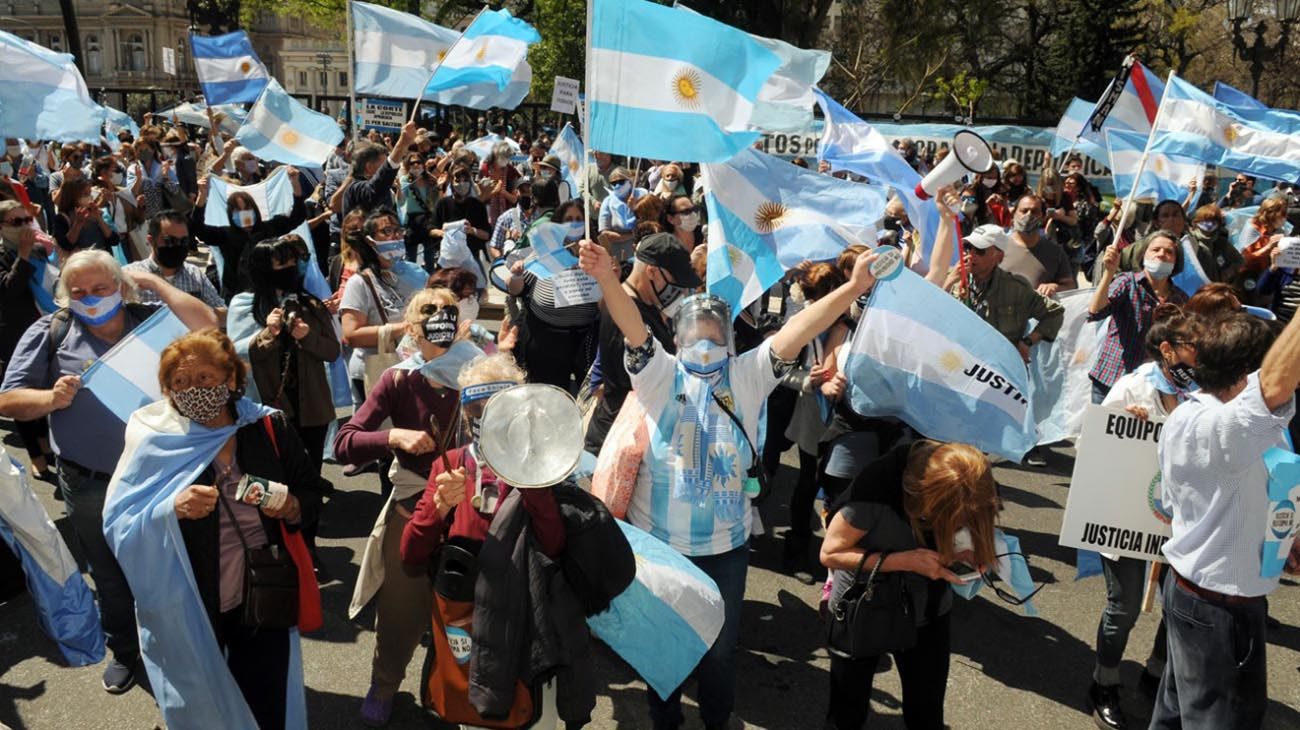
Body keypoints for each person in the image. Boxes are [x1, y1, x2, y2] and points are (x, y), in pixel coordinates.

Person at [580, 238, 883, 730]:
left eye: (713, 334)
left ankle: (717, 721)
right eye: (694, 334)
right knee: (666, 646)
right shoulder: (658, 375)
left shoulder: (746, 377)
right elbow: (633, 328)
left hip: (726, 548)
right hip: (661, 547)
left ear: (729, 340)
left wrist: (853, 286)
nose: (704, 343)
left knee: (721, 651)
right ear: (676, 339)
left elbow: (799, 327)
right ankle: (666, 721)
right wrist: (608, 279)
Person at [0, 249, 217, 694]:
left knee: (178, 561)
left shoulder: (153, 321)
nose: (90, 299)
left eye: (101, 289)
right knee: (109, 570)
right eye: (78, 292)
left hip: (165, 474)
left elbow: (209, 327)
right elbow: (8, 398)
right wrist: (49, 400)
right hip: (90, 481)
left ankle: (187, 646)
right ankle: (124, 651)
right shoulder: (51, 330)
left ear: (121, 286)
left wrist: (155, 284)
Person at [103, 328, 323, 730]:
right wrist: (171, 509)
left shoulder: (268, 427)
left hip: (262, 588)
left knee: (266, 694)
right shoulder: (155, 440)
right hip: (191, 600)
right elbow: (120, 522)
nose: (193, 390)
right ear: (168, 391)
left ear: (232, 379)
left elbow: (310, 494)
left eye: (204, 378)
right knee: (202, 698)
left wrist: (292, 507)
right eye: (180, 383)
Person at [334, 288, 481, 727]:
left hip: (475, 512)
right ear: (412, 330)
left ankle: (466, 689)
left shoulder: (481, 370)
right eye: (429, 317)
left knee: (472, 612)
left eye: (448, 316)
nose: (440, 325)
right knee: (400, 610)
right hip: (414, 509)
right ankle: (384, 683)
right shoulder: (399, 379)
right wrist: (392, 438)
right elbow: (345, 443)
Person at [1150, 309, 1300, 729]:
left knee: (1175, 715)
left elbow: (1241, 487)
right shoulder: (1223, 428)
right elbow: (1275, 384)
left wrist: (1284, 533)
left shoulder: (1191, 413)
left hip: (1193, 595)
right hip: (1220, 610)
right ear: (1251, 375)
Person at [820, 440, 1001, 730]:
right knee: (847, 714)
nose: (956, 527)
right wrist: (906, 560)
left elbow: (971, 525)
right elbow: (830, 553)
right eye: (952, 520)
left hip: (927, 609)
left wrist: (968, 552)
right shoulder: (875, 491)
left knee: (927, 713)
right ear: (922, 499)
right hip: (862, 607)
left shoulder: (971, 481)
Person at [1086, 305, 1200, 730]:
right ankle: (1105, 683)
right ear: (1168, 350)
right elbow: (1093, 447)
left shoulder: (1203, 394)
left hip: (1181, 524)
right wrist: (1121, 422)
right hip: (1126, 520)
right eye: (1193, 346)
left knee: (1178, 610)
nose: (1201, 354)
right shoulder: (1132, 387)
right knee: (1124, 608)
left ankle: (1157, 676)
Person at [583, 233, 701, 453]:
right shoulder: (628, 317)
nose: (682, 293)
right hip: (620, 441)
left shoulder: (643, 306)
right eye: (677, 284)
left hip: (629, 431)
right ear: (652, 272)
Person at [501, 199, 599, 393]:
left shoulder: (596, 256)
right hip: (546, 342)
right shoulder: (543, 254)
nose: (573, 223)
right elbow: (515, 290)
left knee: (586, 396)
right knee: (547, 396)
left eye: (579, 219)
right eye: (568, 219)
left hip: (585, 342)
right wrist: (516, 274)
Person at [1088, 232, 1188, 403]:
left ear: (1176, 262)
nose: (1161, 254)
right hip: (1112, 379)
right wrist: (1108, 273)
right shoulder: (1126, 282)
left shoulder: (1181, 299)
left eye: (1169, 252)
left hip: (1152, 388)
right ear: (1143, 255)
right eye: (1155, 249)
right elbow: (1095, 311)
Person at [339, 209, 423, 408]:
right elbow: (351, 335)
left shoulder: (416, 272)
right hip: (378, 371)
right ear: (370, 241)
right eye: (386, 231)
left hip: (416, 367)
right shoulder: (359, 283)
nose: (396, 235)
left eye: (398, 230)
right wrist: (405, 327)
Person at [0, 200, 55, 480]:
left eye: (26, 219)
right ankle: (35, 454)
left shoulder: (36, 249)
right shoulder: (4, 254)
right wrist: (21, 257)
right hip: (13, 334)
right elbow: (8, 294)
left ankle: (46, 442)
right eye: (15, 222)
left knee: (44, 386)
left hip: (43, 328)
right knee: (22, 393)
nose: (24, 226)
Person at [192, 170, 308, 299]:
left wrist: (295, 183)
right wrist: (201, 195)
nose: (244, 213)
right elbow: (197, 229)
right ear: (230, 213)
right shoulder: (225, 234)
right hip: (236, 294)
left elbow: (298, 216)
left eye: (247, 208)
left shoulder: (268, 228)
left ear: (255, 209)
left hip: (268, 293)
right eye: (238, 210)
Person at [123, 210, 225, 316]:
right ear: (151, 240)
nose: (178, 245)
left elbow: (219, 309)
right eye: (169, 240)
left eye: (184, 241)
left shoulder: (195, 275)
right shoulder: (129, 276)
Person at [1001, 194, 1077, 296]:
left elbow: (1070, 286)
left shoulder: (1055, 251)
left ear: (1042, 217)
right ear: (1014, 213)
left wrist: (1055, 287)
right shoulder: (997, 247)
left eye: (1034, 212)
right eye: (1024, 211)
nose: (1028, 215)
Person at [341, 122, 419, 220]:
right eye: (383, 165)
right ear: (369, 167)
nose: (384, 169)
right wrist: (402, 144)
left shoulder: (387, 190)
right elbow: (375, 188)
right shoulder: (356, 190)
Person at [430, 165, 492, 271]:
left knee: (480, 284)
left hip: (471, 256)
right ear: (452, 183)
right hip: (448, 259)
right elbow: (431, 230)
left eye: (465, 180)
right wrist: (446, 233)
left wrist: (472, 231)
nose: (462, 184)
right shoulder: (443, 204)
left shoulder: (477, 205)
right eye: (458, 180)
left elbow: (487, 234)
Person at [50, 178, 115, 254]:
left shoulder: (98, 212)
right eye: (85, 194)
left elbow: (114, 240)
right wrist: (78, 223)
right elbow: (67, 245)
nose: (90, 197)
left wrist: (99, 219)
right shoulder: (62, 218)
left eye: (90, 193)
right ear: (73, 197)